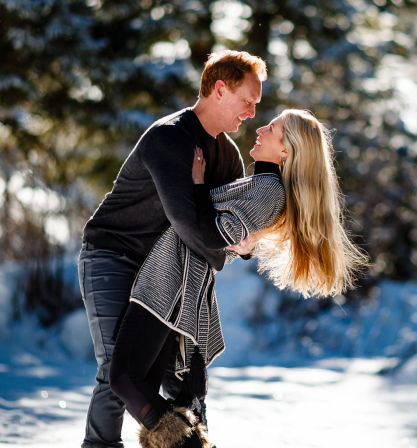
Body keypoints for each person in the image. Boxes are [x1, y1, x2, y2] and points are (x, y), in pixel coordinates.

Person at [109, 109, 369, 448]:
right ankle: (189, 441)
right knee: (145, 383)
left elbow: (213, 233)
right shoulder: (264, 184)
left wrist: (199, 185)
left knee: (126, 379)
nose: (260, 128)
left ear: (286, 151)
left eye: (272, 128)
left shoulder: (268, 191)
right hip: (174, 280)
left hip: (171, 284)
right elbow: (232, 232)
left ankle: (189, 444)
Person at [78, 50, 267, 448]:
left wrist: (246, 244)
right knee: (119, 369)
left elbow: (231, 221)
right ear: (220, 89)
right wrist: (225, 249)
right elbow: (188, 224)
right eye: (247, 101)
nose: (251, 113)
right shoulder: (170, 137)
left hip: (166, 272)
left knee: (170, 374)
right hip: (115, 255)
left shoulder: (227, 155)